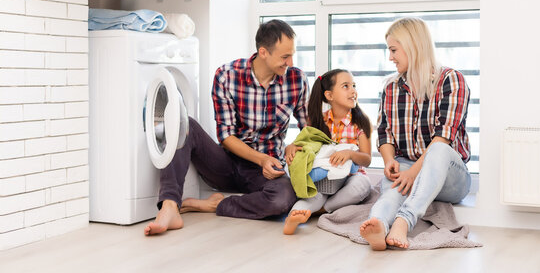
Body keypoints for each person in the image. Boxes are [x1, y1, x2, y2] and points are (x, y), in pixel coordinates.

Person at [144, 19, 309, 235]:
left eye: (292, 55)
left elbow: (309, 128)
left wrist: (294, 145)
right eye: (285, 56)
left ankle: (214, 205)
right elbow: (226, 137)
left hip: (266, 171)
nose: (290, 62)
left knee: (282, 199)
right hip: (226, 163)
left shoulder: (297, 80)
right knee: (184, 123)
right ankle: (169, 207)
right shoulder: (227, 75)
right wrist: (261, 158)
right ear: (263, 52)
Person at [359, 17, 472, 250]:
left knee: (439, 148)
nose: (390, 57)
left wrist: (413, 172)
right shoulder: (390, 87)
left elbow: (444, 137)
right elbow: (384, 132)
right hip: (405, 163)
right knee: (391, 192)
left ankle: (404, 220)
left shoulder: (451, 80)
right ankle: (378, 224)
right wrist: (390, 160)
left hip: (450, 178)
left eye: (393, 50)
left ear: (412, 46)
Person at [283, 69, 372, 235]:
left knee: (361, 187)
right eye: (346, 86)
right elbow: (303, 144)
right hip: (325, 179)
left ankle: (323, 209)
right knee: (313, 193)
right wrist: (291, 147)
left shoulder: (360, 123)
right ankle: (293, 216)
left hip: (350, 177)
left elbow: (366, 159)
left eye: (354, 85)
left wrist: (351, 154)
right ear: (329, 95)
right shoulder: (318, 120)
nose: (353, 90)